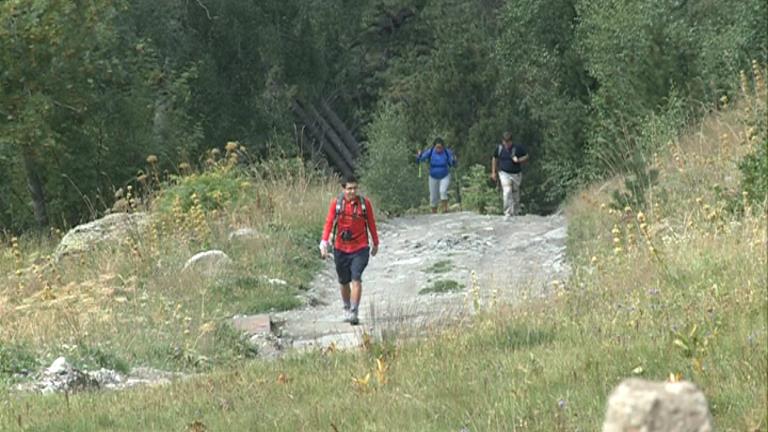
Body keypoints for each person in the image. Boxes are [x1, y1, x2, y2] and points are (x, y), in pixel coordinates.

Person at [319, 176, 379, 325]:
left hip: (360, 247)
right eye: (349, 188)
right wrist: (324, 242)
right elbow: (329, 222)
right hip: (341, 248)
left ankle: (354, 311)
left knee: (356, 277)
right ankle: (346, 307)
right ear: (343, 189)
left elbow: (371, 222)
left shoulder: (364, 204)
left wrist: (375, 243)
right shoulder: (337, 204)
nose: (352, 191)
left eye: (354, 188)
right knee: (344, 281)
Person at [490, 131, 529, 217]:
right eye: (505, 141)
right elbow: (494, 158)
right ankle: (507, 213)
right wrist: (493, 172)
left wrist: (518, 160)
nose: (506, 143)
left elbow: (526, 156)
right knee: (507, 191)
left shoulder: (517, 148)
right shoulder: (499, 149)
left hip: (516, 174)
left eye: (508, 141)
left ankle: (516, 211)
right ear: (502, 141)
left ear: (511, 141)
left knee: (515, 193)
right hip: (504, 173)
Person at [416, 137, 457, 213]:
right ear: (434, 146)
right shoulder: (430, 152)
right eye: (437, 147)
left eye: (440, 147)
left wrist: (454, 161)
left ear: (443, 147)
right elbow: (421, 159)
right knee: (433, 196)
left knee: (443, 191)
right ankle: (434, 213)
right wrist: (419, 156)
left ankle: (445, 209)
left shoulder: (447, 152)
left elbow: (451, 163)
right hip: (433, 177)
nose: (439, 149)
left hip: (445, 175)